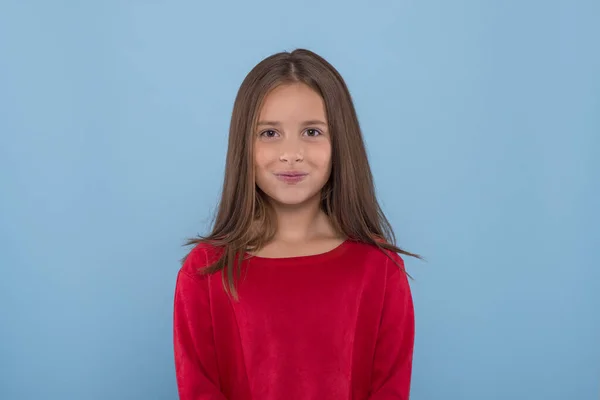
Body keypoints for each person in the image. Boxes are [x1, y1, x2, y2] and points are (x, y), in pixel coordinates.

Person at [173, 48, 420, 400]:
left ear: (341, 143)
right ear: (244, 145)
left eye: (312, 132)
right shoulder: (206, 271)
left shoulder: (380, 270)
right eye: (270, 134)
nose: (291, 153)